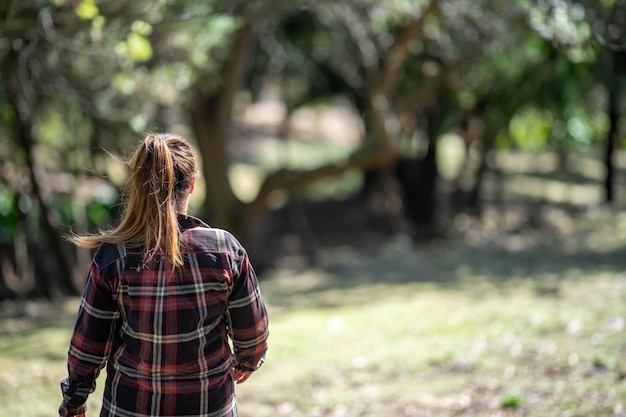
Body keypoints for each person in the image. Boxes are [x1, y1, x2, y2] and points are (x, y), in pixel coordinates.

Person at [59, 133, 269, 417]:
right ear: (192, 184)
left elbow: (88, 348)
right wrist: (247, 362)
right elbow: (253, 336)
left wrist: (74, 402)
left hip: (130, 409)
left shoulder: (114, 256)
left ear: (138, 186)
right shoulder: (225, 249)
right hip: (209, 408)